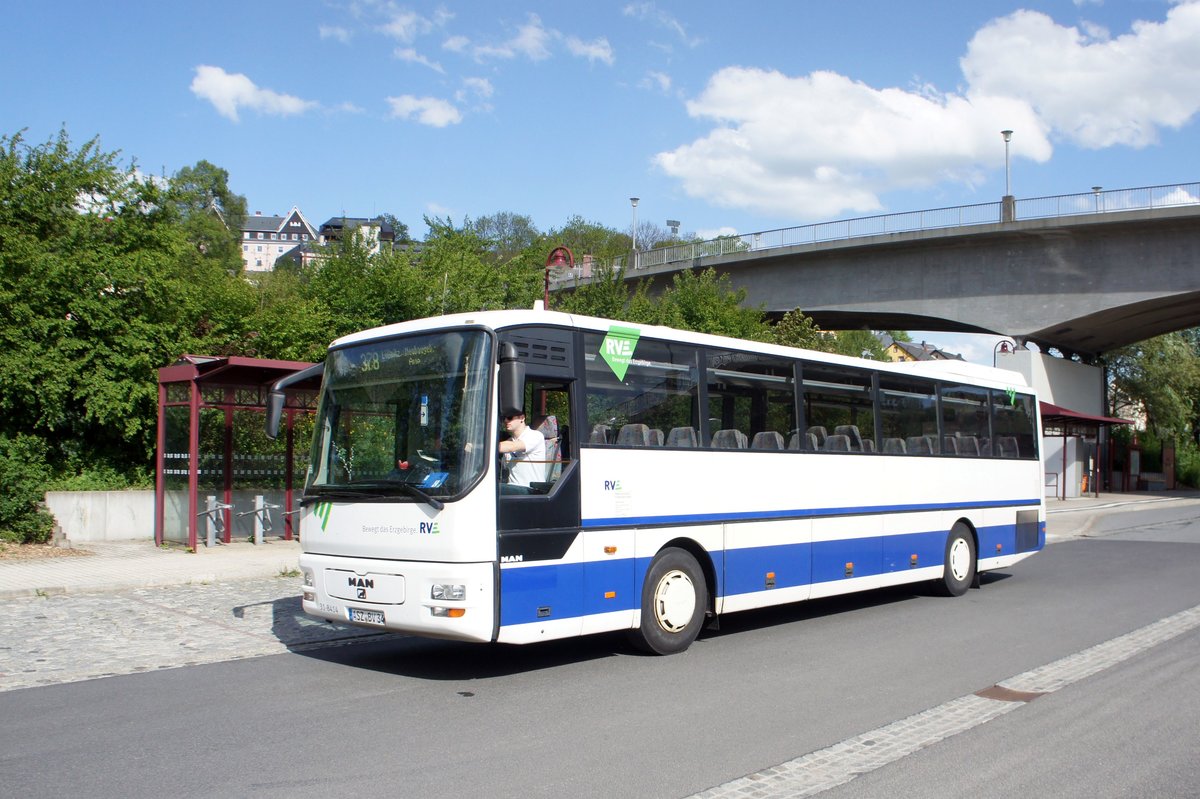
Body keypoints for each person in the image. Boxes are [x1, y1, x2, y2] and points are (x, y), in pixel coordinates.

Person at [498, 411, 546, 489]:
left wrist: (482, 447)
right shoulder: (508, 441)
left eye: (510, 417)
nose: (506, 421)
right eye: (503, 418)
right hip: (512, 490)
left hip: (531, 491)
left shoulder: (535, 436)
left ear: (522, 418)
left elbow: (512, 447)